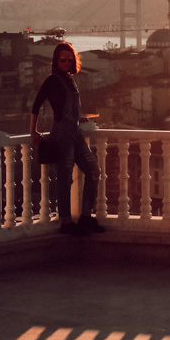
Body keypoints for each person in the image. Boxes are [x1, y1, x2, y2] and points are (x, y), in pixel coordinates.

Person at [30, 41, 105, 235]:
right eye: (63, 59)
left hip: (76, 133)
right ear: (56, 60)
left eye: (70, 59)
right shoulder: (52, 80)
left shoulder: (70, 79)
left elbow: (69, 105)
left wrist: (79, 116)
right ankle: (66, 222)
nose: (66, 62)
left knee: (94, 170)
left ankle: (86, 217)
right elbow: (36, 105)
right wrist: (33, 131)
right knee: (65, 179)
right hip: (62, 135)